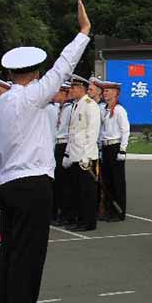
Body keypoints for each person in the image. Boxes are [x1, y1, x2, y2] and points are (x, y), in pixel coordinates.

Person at [0, 0, 91, 303]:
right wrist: (83, 33)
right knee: (29, 258)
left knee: (10, 255)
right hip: (32, 185)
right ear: (33, 73)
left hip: (8, 183)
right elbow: (63, 68)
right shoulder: (30, 97)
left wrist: (4, 175)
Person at [63, 74, 101, 232]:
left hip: (86, 157)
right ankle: (79, 219)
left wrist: (86, 156)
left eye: (73, 88)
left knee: (87, 192)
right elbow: (72, 132)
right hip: (75, 155)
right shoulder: (76, 105)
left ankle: (88, 222)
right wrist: (67, 153)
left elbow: (92, 132)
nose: (71, 90)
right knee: (76, 191)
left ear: (81, 89)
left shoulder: (90, 105)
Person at [98, 81, 130, 222]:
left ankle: (119, 211)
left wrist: (122, 149)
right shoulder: (105, 109)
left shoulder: (119, 110)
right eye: (104, 91)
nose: (105, 93)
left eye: (108, 91)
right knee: (107, 180)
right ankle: (109, 210)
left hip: (115, 146)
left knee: (117, 180)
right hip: (105, 147)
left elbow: (125, 130)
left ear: (116, 93)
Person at [52, 83, 75, 225]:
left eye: (57, 92)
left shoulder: (70, 108)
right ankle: (57, 212)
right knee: (57, 182)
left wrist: (67, 152)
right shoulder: (58, 108)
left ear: (64, 93)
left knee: (64, 182)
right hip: (57, 144)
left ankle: (65, 213)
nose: (54, 95)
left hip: (65, 144)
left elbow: (71, 130)